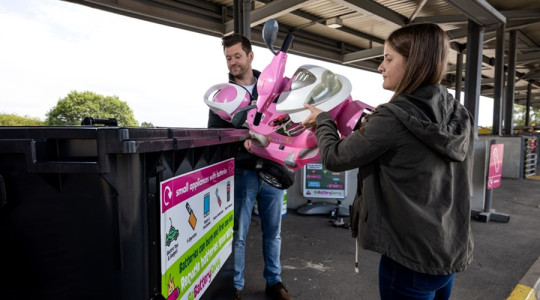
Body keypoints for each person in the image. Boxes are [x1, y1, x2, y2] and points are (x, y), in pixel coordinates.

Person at [301, 23, 474, 300]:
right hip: (447, 250)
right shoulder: (458, 113)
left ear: (414, 62)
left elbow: (334, 157)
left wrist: (323, 120)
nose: (381, 66)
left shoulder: (392, 117)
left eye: (388, 58)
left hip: (408, 258)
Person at [207, 33, 293, 300]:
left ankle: (274, 282)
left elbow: (289, 122)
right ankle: (235, 285)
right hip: (243, 171)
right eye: (228, 58)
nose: (233, 62)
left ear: (250, 55)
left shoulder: (273, 86)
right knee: (238, 234)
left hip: (273, 169)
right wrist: (242, 145)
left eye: (237, 56)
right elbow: (216, 138)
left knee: (273, 231)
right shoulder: (223, 95)